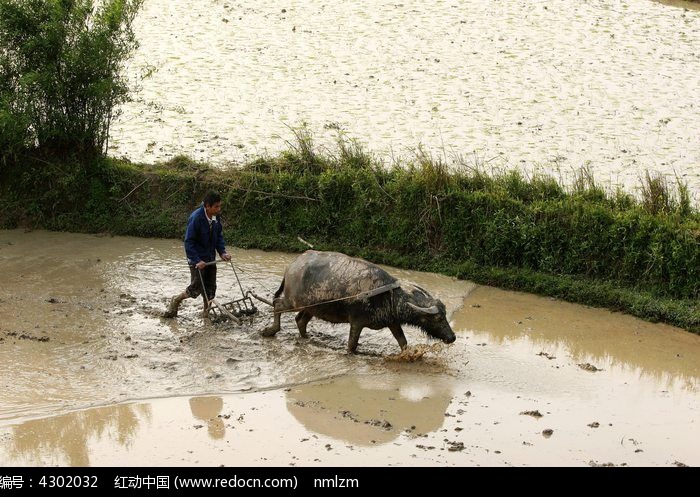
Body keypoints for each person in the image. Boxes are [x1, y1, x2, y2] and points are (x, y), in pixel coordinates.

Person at [164, 191, 231, 318]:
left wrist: (222, 252)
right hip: (197, 259)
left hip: (210, 258)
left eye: (219, 206)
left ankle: (206, 314)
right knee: (196, 289)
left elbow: (218, 236)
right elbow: (189, 242)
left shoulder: (216, 217)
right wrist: (196, 260)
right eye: (216, 206)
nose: (219, 209)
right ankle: (176, 300)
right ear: (207, 206)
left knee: (211, 288)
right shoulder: (196, 218)